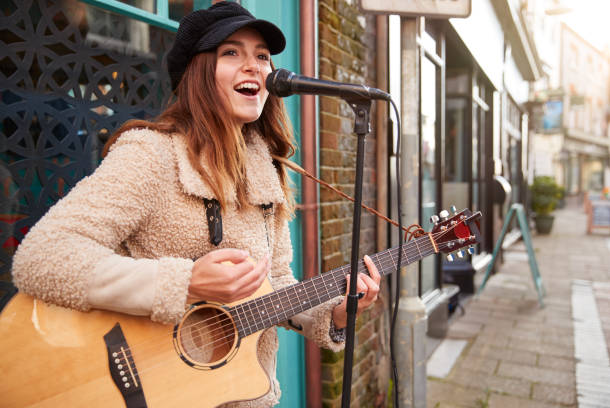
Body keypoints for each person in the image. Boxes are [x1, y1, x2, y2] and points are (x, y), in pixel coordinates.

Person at [11, 2, 380, 406]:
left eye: (262, 56)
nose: (254, 66)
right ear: (198, 72)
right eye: (232, 53)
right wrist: (182, 283)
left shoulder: (267, 170)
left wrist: (336, 313)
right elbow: (42, 257)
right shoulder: (152, 155)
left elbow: (276, 285)